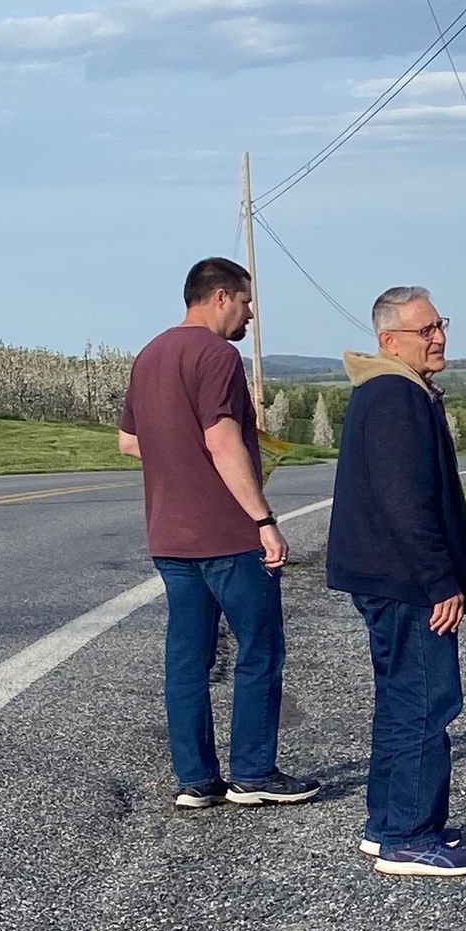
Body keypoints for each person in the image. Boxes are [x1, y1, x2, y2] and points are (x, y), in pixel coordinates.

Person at [118, 257, 318, 810]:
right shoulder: (217, 355)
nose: (250, 313)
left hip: (168, 534)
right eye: (247, 302)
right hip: (228, 534)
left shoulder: (150, 355)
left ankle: (196, 779)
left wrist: (176, 457)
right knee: (260, 648)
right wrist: (263, 520)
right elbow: (223, 441)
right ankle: (253, 772)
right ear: (222, 296)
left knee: (187, 656)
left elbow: (130, 443)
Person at [326, 286, 466, 878]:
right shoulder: (395, 395)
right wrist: (440, 582)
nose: (438, 336)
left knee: (400, 700)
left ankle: (387, 822)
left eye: (439, 324)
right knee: (426, 701)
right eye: (425, 330)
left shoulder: (390, 388)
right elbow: (404, 502)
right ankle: (411, 836)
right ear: (388, 340)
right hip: (405, 581)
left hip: (388, 576)